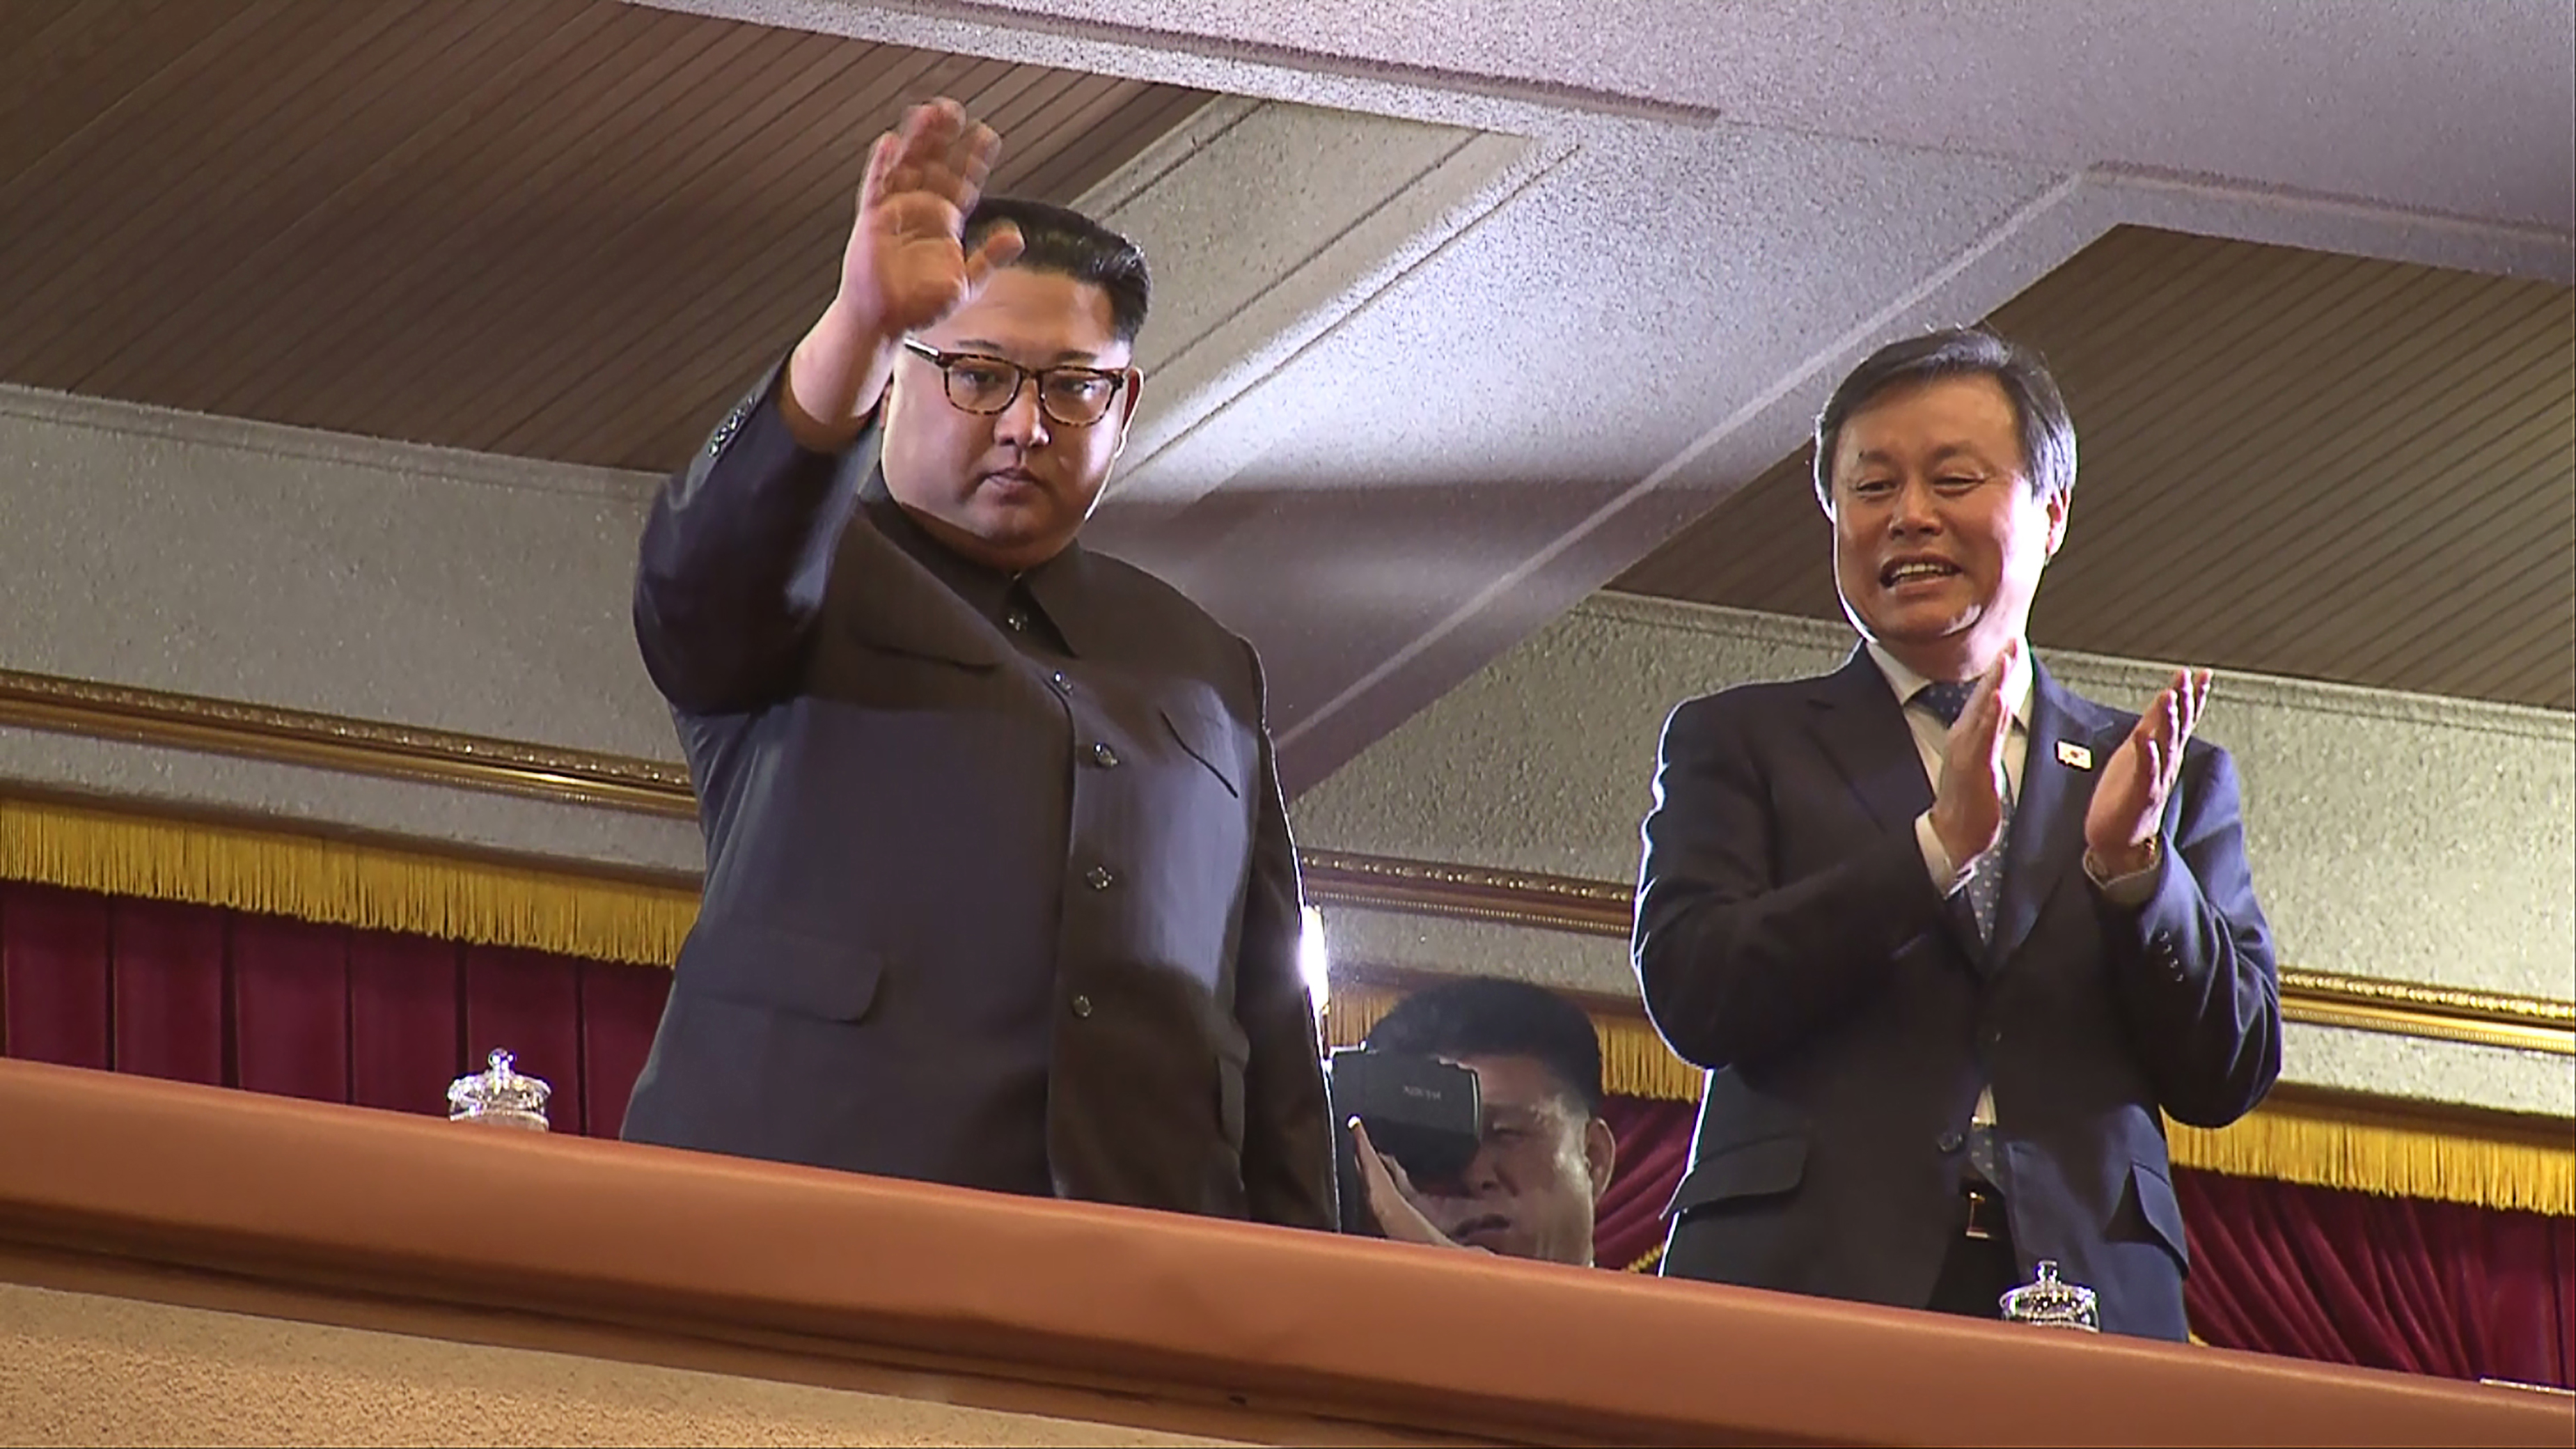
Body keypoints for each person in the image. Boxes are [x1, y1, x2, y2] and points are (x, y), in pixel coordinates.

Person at [619, 97, 1335, 1231]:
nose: (1023, 426)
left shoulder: (1204, 664)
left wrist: (1307, 1304)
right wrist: (852, 326)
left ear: (1124, 402)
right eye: (978, 374)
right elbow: (697, 576)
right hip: (806, 1218)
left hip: (1139, 1260)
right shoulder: (808, 572)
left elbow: (1274, 1019)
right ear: (900, 376)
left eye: (1070, 387)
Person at [1629, 327, 2280, 1339]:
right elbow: (1695, 992)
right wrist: (1932, 853)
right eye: (1872, 487)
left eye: (1953, 479)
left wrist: (2134, 873)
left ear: (2051, 513)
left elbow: (2229, 1071)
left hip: (2084, 1303)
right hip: (1797, 1293)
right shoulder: (1738, 739)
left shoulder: (2162, 773)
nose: (1910, 517)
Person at [1346, 977, 1618, 1267]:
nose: (1475, 1176)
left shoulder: (1667, 1311)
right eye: (1436, 1144)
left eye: (1506, 1134)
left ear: (1593, 1158)